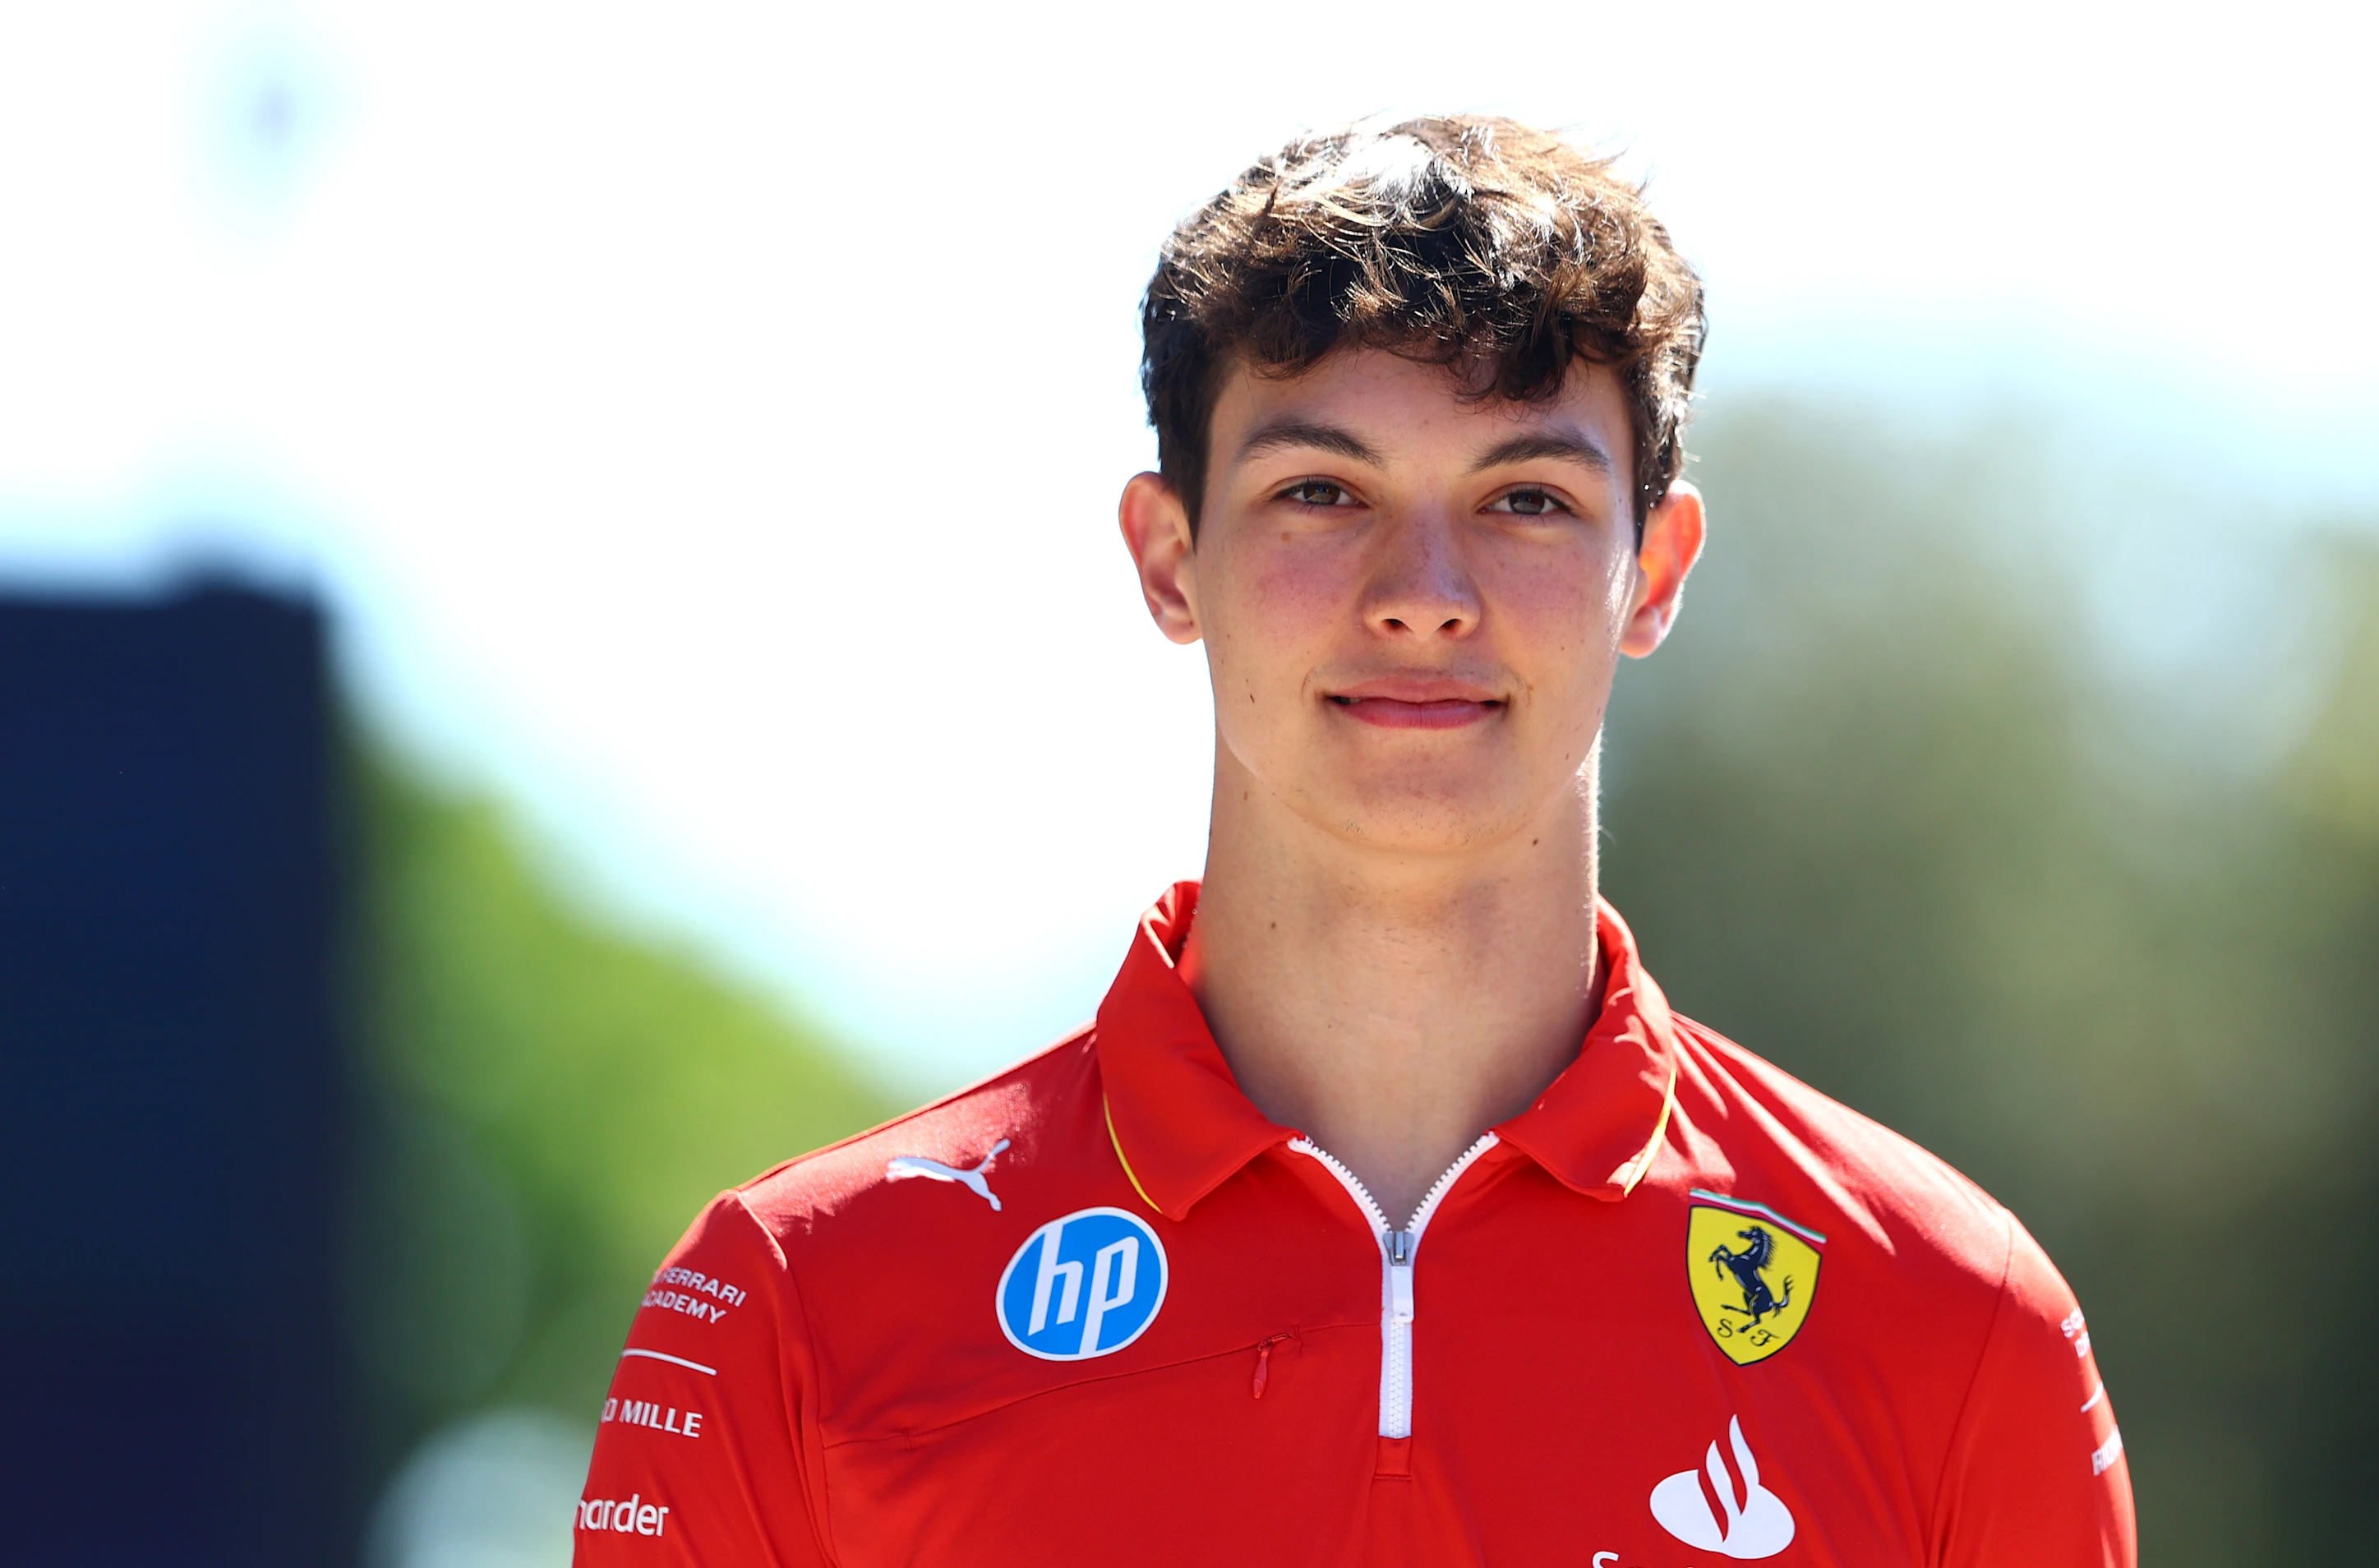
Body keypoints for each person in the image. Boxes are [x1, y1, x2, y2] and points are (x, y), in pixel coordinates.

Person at [574, 115, 2134, 1566]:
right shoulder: (792, 1306)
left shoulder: (1957, 1327)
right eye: (1322, 490)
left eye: (1528, 499)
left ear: (1654, 571)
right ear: (1169, 557)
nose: (1423, 594)